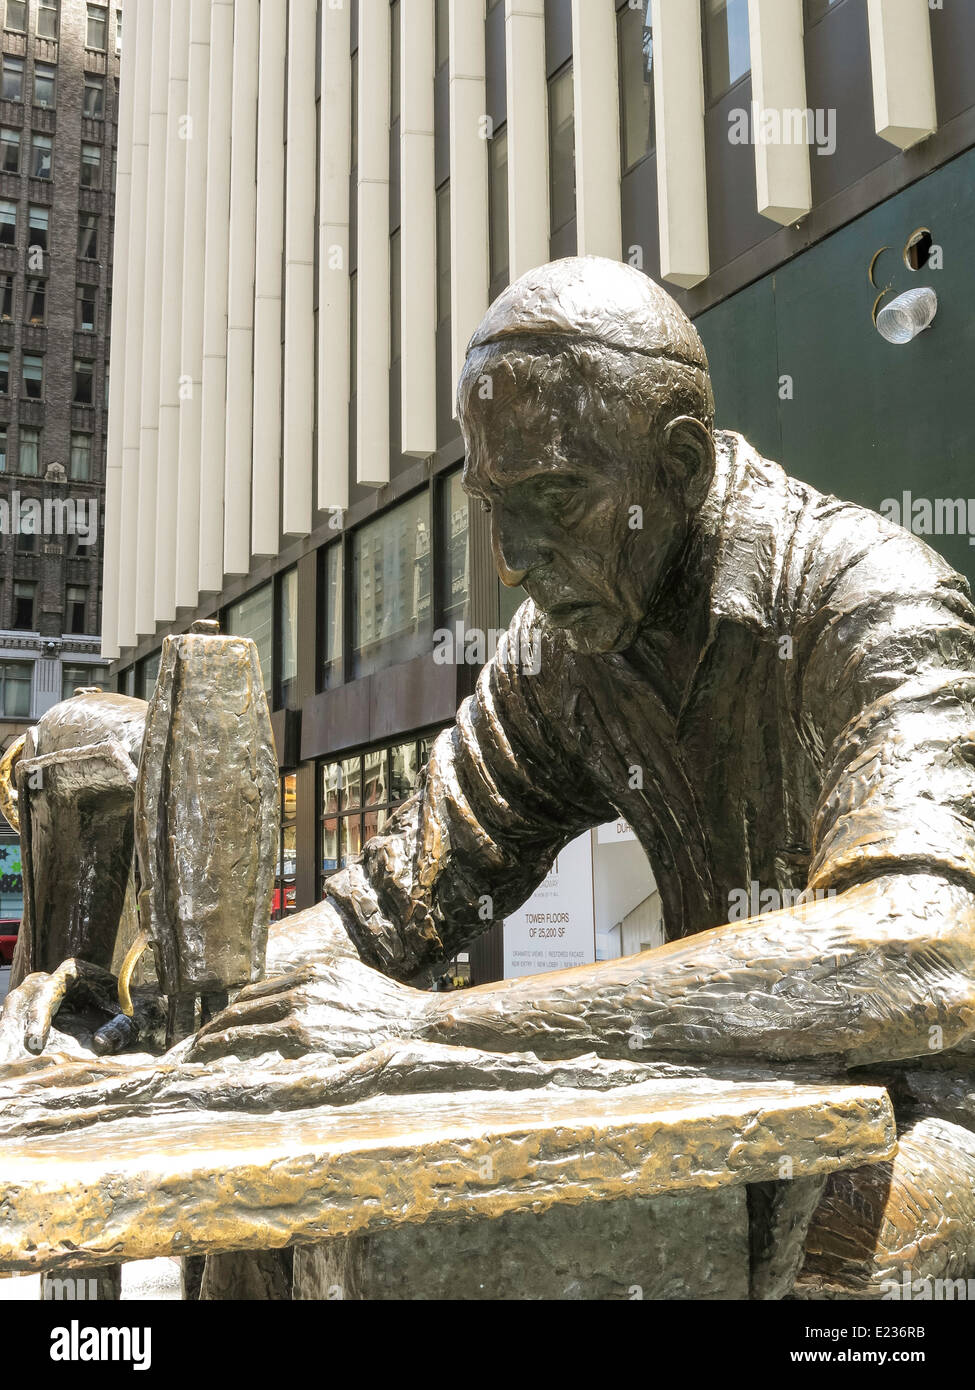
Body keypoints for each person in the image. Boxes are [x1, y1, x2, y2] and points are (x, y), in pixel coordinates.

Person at [4, 257, 975, 1290]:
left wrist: (424, 1023)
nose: (513, 557)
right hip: (736, 1101)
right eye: (493, 505)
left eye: (556, 496)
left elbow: (921, 949)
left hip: (929, 1109)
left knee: (872, 1239)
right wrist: (175, 1009)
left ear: (680, 469)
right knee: (292, 1208)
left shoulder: (872, 598)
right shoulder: (561, 652)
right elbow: (388, 908)